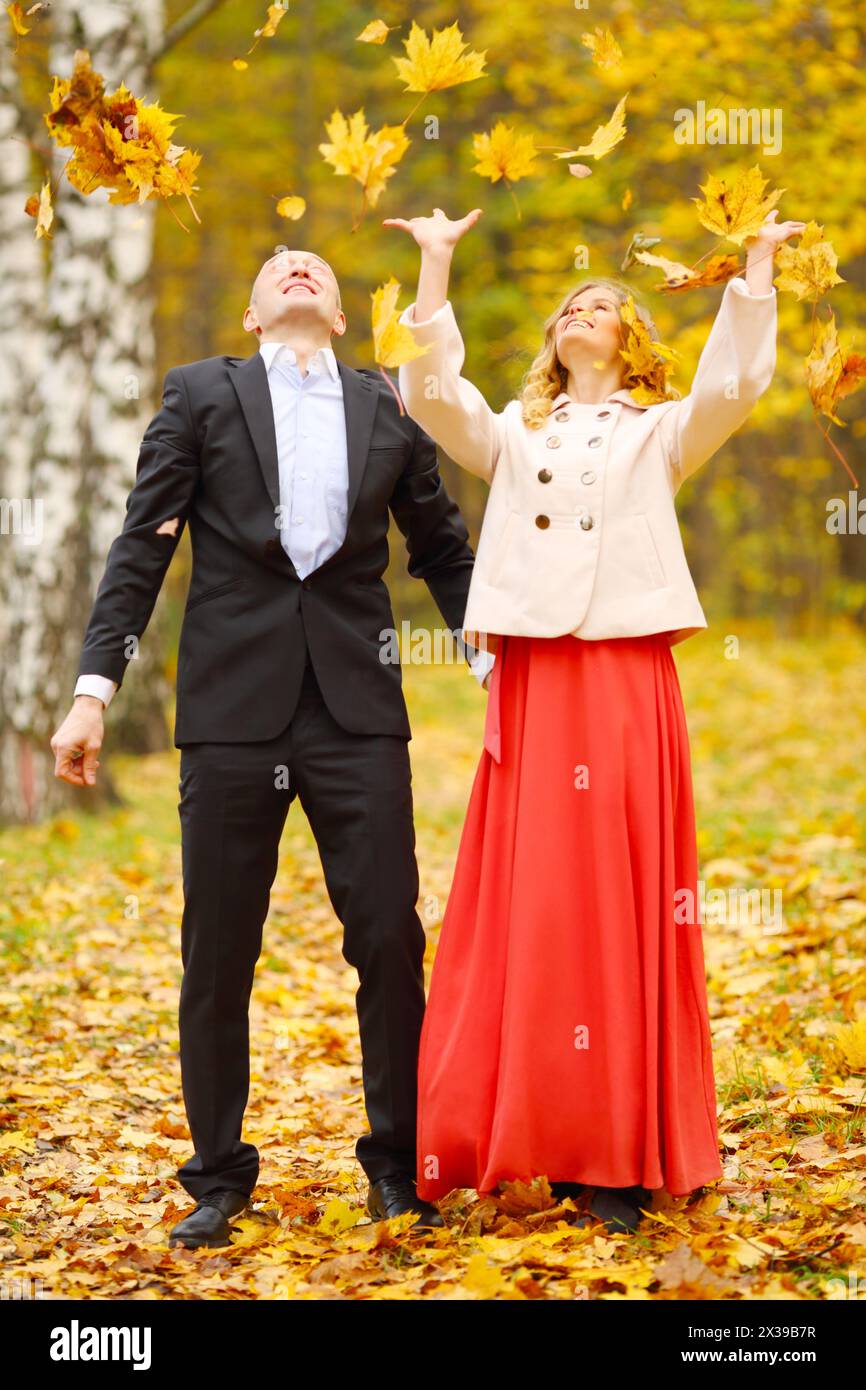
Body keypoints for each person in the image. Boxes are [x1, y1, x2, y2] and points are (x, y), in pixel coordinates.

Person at [49, 247, 495, 1247]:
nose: (299, 270)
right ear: (252, 314)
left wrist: (494, 671)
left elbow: (441, 551)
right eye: (279, 267)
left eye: (317, 269)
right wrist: (94, 690)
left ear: (338, 315)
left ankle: (397, 1164)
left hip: (354, 712)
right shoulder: (201, 392)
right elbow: (143, 543)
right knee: (217, 952)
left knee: (387, 935)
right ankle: (215, 1178)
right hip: (229, 713)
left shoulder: (387, 402)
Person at [385, 204, 805, 1234]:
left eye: (602, 305)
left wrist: (751, 268)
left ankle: (616, 1153)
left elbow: (733, 386)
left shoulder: (657, 433)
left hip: (620, 675)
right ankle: (530, 1136)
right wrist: (434, 266)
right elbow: (434, 400)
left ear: (628, 341)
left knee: (619, 899)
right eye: (569, 303)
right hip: (533, 678)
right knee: (536, 902)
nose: (581, 310)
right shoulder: (515, 431)